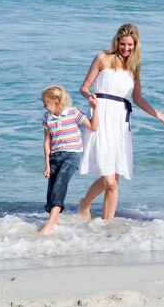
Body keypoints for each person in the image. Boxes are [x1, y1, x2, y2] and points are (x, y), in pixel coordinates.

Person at [78, 23, 164, 219]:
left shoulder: (134, 68)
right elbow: (84, 86)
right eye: (122, 44)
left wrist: (161, 116)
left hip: (120, 121)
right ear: (117, 41)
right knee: (108, 180)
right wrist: (89, 96)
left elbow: (138, 100)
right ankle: (85, 203)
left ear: (135, 44)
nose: (126, 48)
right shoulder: (102, 58)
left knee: (114, 179)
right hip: (101, 114)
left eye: (130, 44)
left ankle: (108, 226)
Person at [39, 85, 98, 235]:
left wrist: (95, 108)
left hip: (71, 156)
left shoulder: (73, 113)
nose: (43, 105)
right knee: (51, 191)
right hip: (54, 158)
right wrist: (47, 165)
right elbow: (47, 142)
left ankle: (49, 225)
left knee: (60, 186)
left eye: (45, 103)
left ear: (56, 102)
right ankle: (56, 221)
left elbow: (93, 126)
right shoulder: (47, 118)